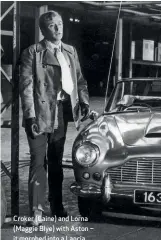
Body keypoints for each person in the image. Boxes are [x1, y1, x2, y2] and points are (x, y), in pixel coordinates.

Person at [19, 11, 90, 225]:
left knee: (57, 163)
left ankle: (57, 208)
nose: (58, 29)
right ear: (43, 30)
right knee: (38, 163)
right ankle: (37, 212)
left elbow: (79, 81)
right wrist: (31, 117)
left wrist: (84, 101)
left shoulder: (70, 51)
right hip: (39, 115)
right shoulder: (33, 52)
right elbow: (26, 87)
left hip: (60, 113)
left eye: (59, 24)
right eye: (52, 25)